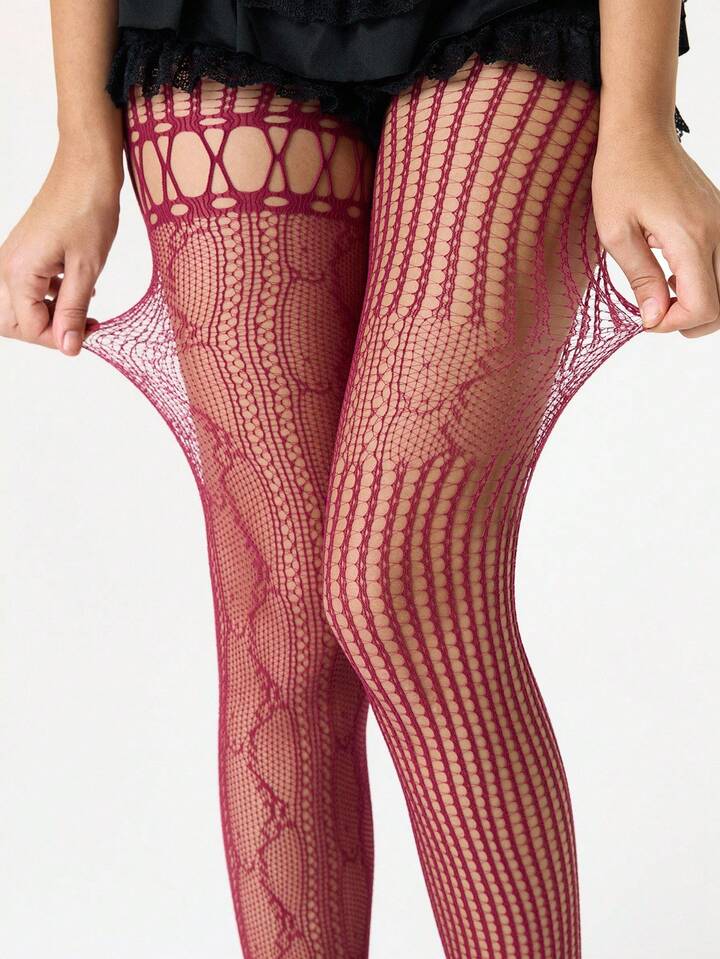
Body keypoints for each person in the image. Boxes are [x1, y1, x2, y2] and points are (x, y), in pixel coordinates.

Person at [0, 2, 716, 957]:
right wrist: (78, 138)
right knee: (282, 618)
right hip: (217, 21)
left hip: (512, 17)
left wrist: (639, 118)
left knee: (403, 579)